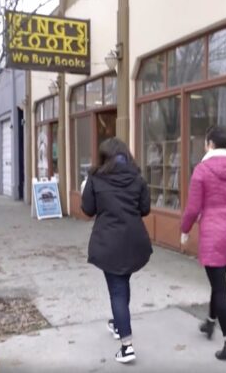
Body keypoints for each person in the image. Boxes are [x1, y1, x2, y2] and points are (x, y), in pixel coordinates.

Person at [180, 126, 226, 363]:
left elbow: (193, 208)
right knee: (218, 280)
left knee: (220, 288)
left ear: (210, 143)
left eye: (205, 141)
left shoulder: (202, 170)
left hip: (213, 232)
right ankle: (210, 323)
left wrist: (184, 230)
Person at [81, 138, 152, 364]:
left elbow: (88, 209)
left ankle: (127, 345)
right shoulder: (137, 178)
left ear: (104, 156)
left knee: (117, 290)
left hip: (109, 243)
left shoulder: (96, 178)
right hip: (134, 241)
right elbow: (145, 209)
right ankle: (118, 323)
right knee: (122, 283)